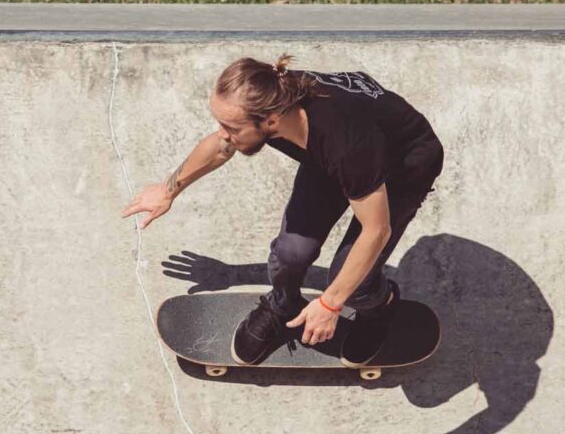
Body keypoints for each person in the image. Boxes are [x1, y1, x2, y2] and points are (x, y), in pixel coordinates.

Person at [121, 54, 444, 368]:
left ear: (272, 121)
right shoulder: (273, 96)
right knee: (291, 253)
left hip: (403, 168)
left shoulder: (345, 143)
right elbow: (220, 147)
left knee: (354, 283)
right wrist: (168, 190)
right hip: (333, 157)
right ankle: (282, 305)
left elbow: (376, 230)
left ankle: (379, 309)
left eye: (231, 127)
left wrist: (331, 303)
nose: (223, 133)